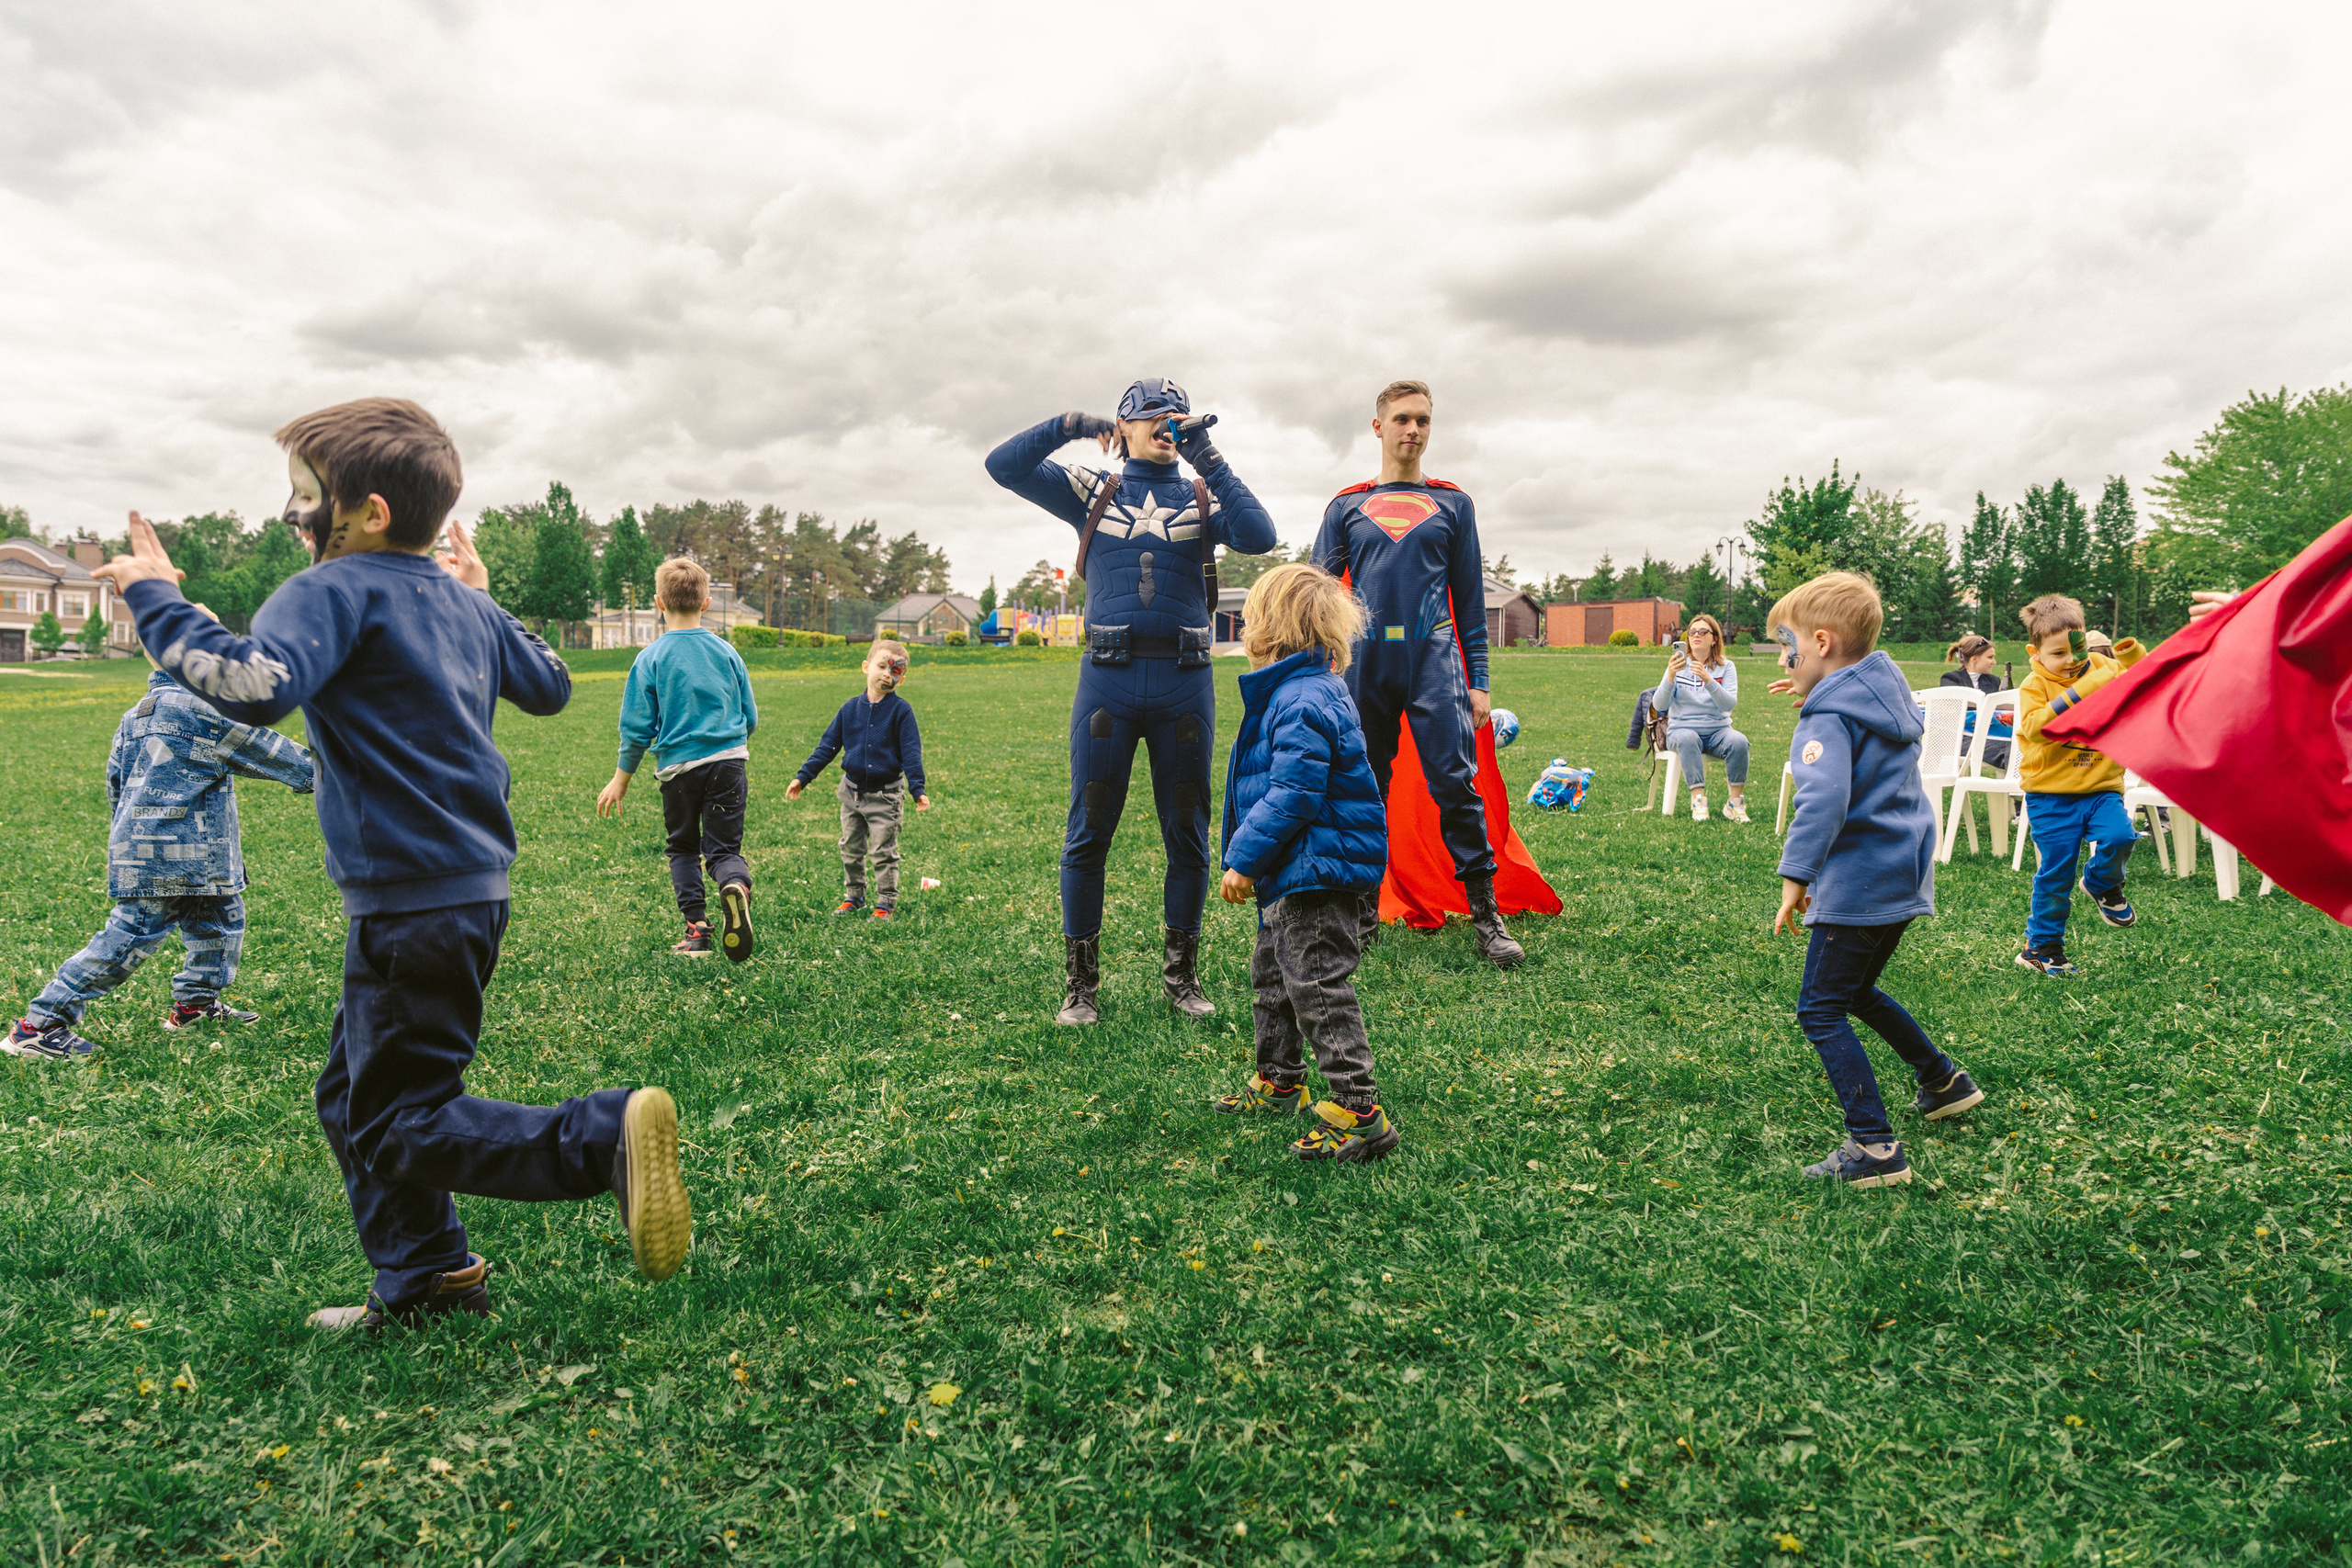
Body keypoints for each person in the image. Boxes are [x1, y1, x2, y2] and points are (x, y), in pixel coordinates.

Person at [95, 397, 692, 1331]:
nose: (291, 517)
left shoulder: (329, 591)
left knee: (395, 1119)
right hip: (468, 888)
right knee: (351, 1097)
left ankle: (597, 1139)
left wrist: (154, 594)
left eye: (303, 498)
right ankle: (429, 1278)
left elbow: (255, 687)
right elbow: (549, 684)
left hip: (408, 899)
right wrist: (479, 593)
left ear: (368, 512)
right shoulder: (458, 602)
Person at [986, 379, 1276, 1024]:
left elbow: (1260, 534)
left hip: (1185, 681)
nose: (1165, 426)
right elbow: (1002, 465)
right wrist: (1071, 422)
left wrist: (1213, 459)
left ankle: (1182, 978)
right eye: (1151, 417)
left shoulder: (1202, 493)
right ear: (1125, 426)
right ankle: (1081, 987)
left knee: (1188, 835)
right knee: (1089, 830)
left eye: (1176, 417)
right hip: (1107, 682)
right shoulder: (1096, 489)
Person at [1313, 380, 1555, 964]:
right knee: (1364, 787)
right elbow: (1317, 596)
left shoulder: (1453, 504)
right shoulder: (1347, 505)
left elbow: (1470, 602)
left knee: (1454, 784)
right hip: (1365, 658)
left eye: (1422, 420)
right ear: (1378, 427)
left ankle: (1486, 916)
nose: (1412, 430)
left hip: (1434, 657)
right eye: (1401, 419)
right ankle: (1362, 913)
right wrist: (1313, 672)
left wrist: (1480, 682)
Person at [4, 617, 314, 1059]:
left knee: (220, 923)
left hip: (180, 857)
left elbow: (117, 785)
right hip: (179, 856)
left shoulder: (135, 716)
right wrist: (344, 774)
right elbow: (275, 753)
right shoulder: (205, 710)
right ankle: (39, 1025)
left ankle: (195, 1007)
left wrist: (129, 843)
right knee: (129, 937)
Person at [1771, 571, 1985, 1189]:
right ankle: (1943, 1081)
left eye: (1789, 646)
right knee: (1857, 990)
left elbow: (1825, 797)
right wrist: (1817, 689)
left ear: (1820, 641)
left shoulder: (1827, 720)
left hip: (1859, 879)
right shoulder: (1880, 697)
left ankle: (1874, 1146)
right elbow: (1850, 716)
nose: (1784, 659)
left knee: (1820, 1009)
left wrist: (1796, 873)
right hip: (1902, 875)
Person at [1211, 564, 1396, 1162]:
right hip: (1294, 873)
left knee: (1316, 985)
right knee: (1273, 977)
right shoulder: (1298, 690)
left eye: (1252, 620)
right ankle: (1280, 1078)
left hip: (1318, 873)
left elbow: (1295, 792)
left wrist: (1243, 858)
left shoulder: (1300, 698)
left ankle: (1360, 1112)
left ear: (1271, 631)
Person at [595, 557, 759, 960]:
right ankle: (734, 883)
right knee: (723, 850)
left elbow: (636, 729)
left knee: (683, 848)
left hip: (679, 770)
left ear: (658, 603)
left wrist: (622, 779)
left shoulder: (650, 658)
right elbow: (749, 716)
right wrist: (728, 746)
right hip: (729, 763)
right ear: (706, 604)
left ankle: (698, 931)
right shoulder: (727, 652)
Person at [2012, 594, 2146, 976]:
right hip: (2050, 796)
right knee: (2056, 874)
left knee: (2121, 837)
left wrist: (2133, 657)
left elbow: (2145, 683)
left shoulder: (2104, 666)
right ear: (2034, 653)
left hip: (2101, 787)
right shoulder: (2035, 684)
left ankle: (2102, 883)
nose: (2071, 659)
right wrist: (2083, 691)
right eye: (2058, 653)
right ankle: (2042, 948)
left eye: (2078, 647)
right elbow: (2037, 728)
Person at [786, 639, 930, 919]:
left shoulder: (902, 712)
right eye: (882, 666)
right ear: (866, 667)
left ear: (901, 680)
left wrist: (918, 789)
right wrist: (803, 777)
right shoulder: (849, 709)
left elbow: (912, 752)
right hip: (850, 794)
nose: (888, 673)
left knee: (882, 851)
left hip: (885, 797)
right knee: (851, 849)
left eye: (896, 671)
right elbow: (827, 746)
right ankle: (855, 896)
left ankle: (886, 902)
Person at [1652, 613, 1749, 822]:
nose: (1696, 635)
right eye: (1692, 632)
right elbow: (1659, 705)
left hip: (1718, 731)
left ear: (1714, 638)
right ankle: (1698, 803)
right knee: (1688, 738)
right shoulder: (1677, 666)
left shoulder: (1726, 667)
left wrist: (1709, 680)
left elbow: (1729, 704)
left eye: (1703, 631)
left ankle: (1735, 804)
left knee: (1739, 741)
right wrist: (1670, 675)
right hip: (1681, 731)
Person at [1939, 633, 2012, 775]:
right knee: (2006, 751)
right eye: (1990, 657)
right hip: (1961, 738)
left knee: (2016, 746)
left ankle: (2017, 792)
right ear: (1974, 659)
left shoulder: (1994, 681)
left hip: (1991, 734)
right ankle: (2016, 792)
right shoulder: (1951, 679)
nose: (1994, 662)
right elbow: (1953, 710)